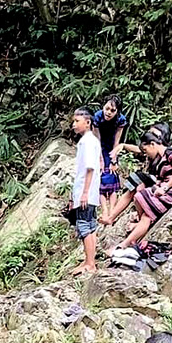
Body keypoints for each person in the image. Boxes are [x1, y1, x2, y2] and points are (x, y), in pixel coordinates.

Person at [112, 129, 172, 258]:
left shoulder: (171, 153)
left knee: (145, 210)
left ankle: (124, 244)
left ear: (153, 144)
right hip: (166, 189)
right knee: (138, 196)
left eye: (146, 150)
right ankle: (141, 222)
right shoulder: (161, 159)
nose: (147, 154)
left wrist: (164, 188)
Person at [69, 107, 102, 276]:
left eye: (77, 121)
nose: (73, 124)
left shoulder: (87, 142)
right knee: (90, 226)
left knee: (84, 227)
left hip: (86, 193)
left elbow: (89, 168)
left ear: (87, 122)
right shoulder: (92, 141)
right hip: (90, 193)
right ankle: (89, 259)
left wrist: (84, 193)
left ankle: (90, 263)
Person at [94, 94, 128, 219]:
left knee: (112, 177)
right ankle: (104, 211)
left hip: (112, 147)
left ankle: (112, 210)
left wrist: (114, 159)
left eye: (112, 110)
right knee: (101, 178)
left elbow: (117, 141)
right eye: (107, 108)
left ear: (117, 111)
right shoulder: (97, 117)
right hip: (98, 146)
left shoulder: (120, 120)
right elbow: (96, 138)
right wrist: (100, 159)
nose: (108, 112)